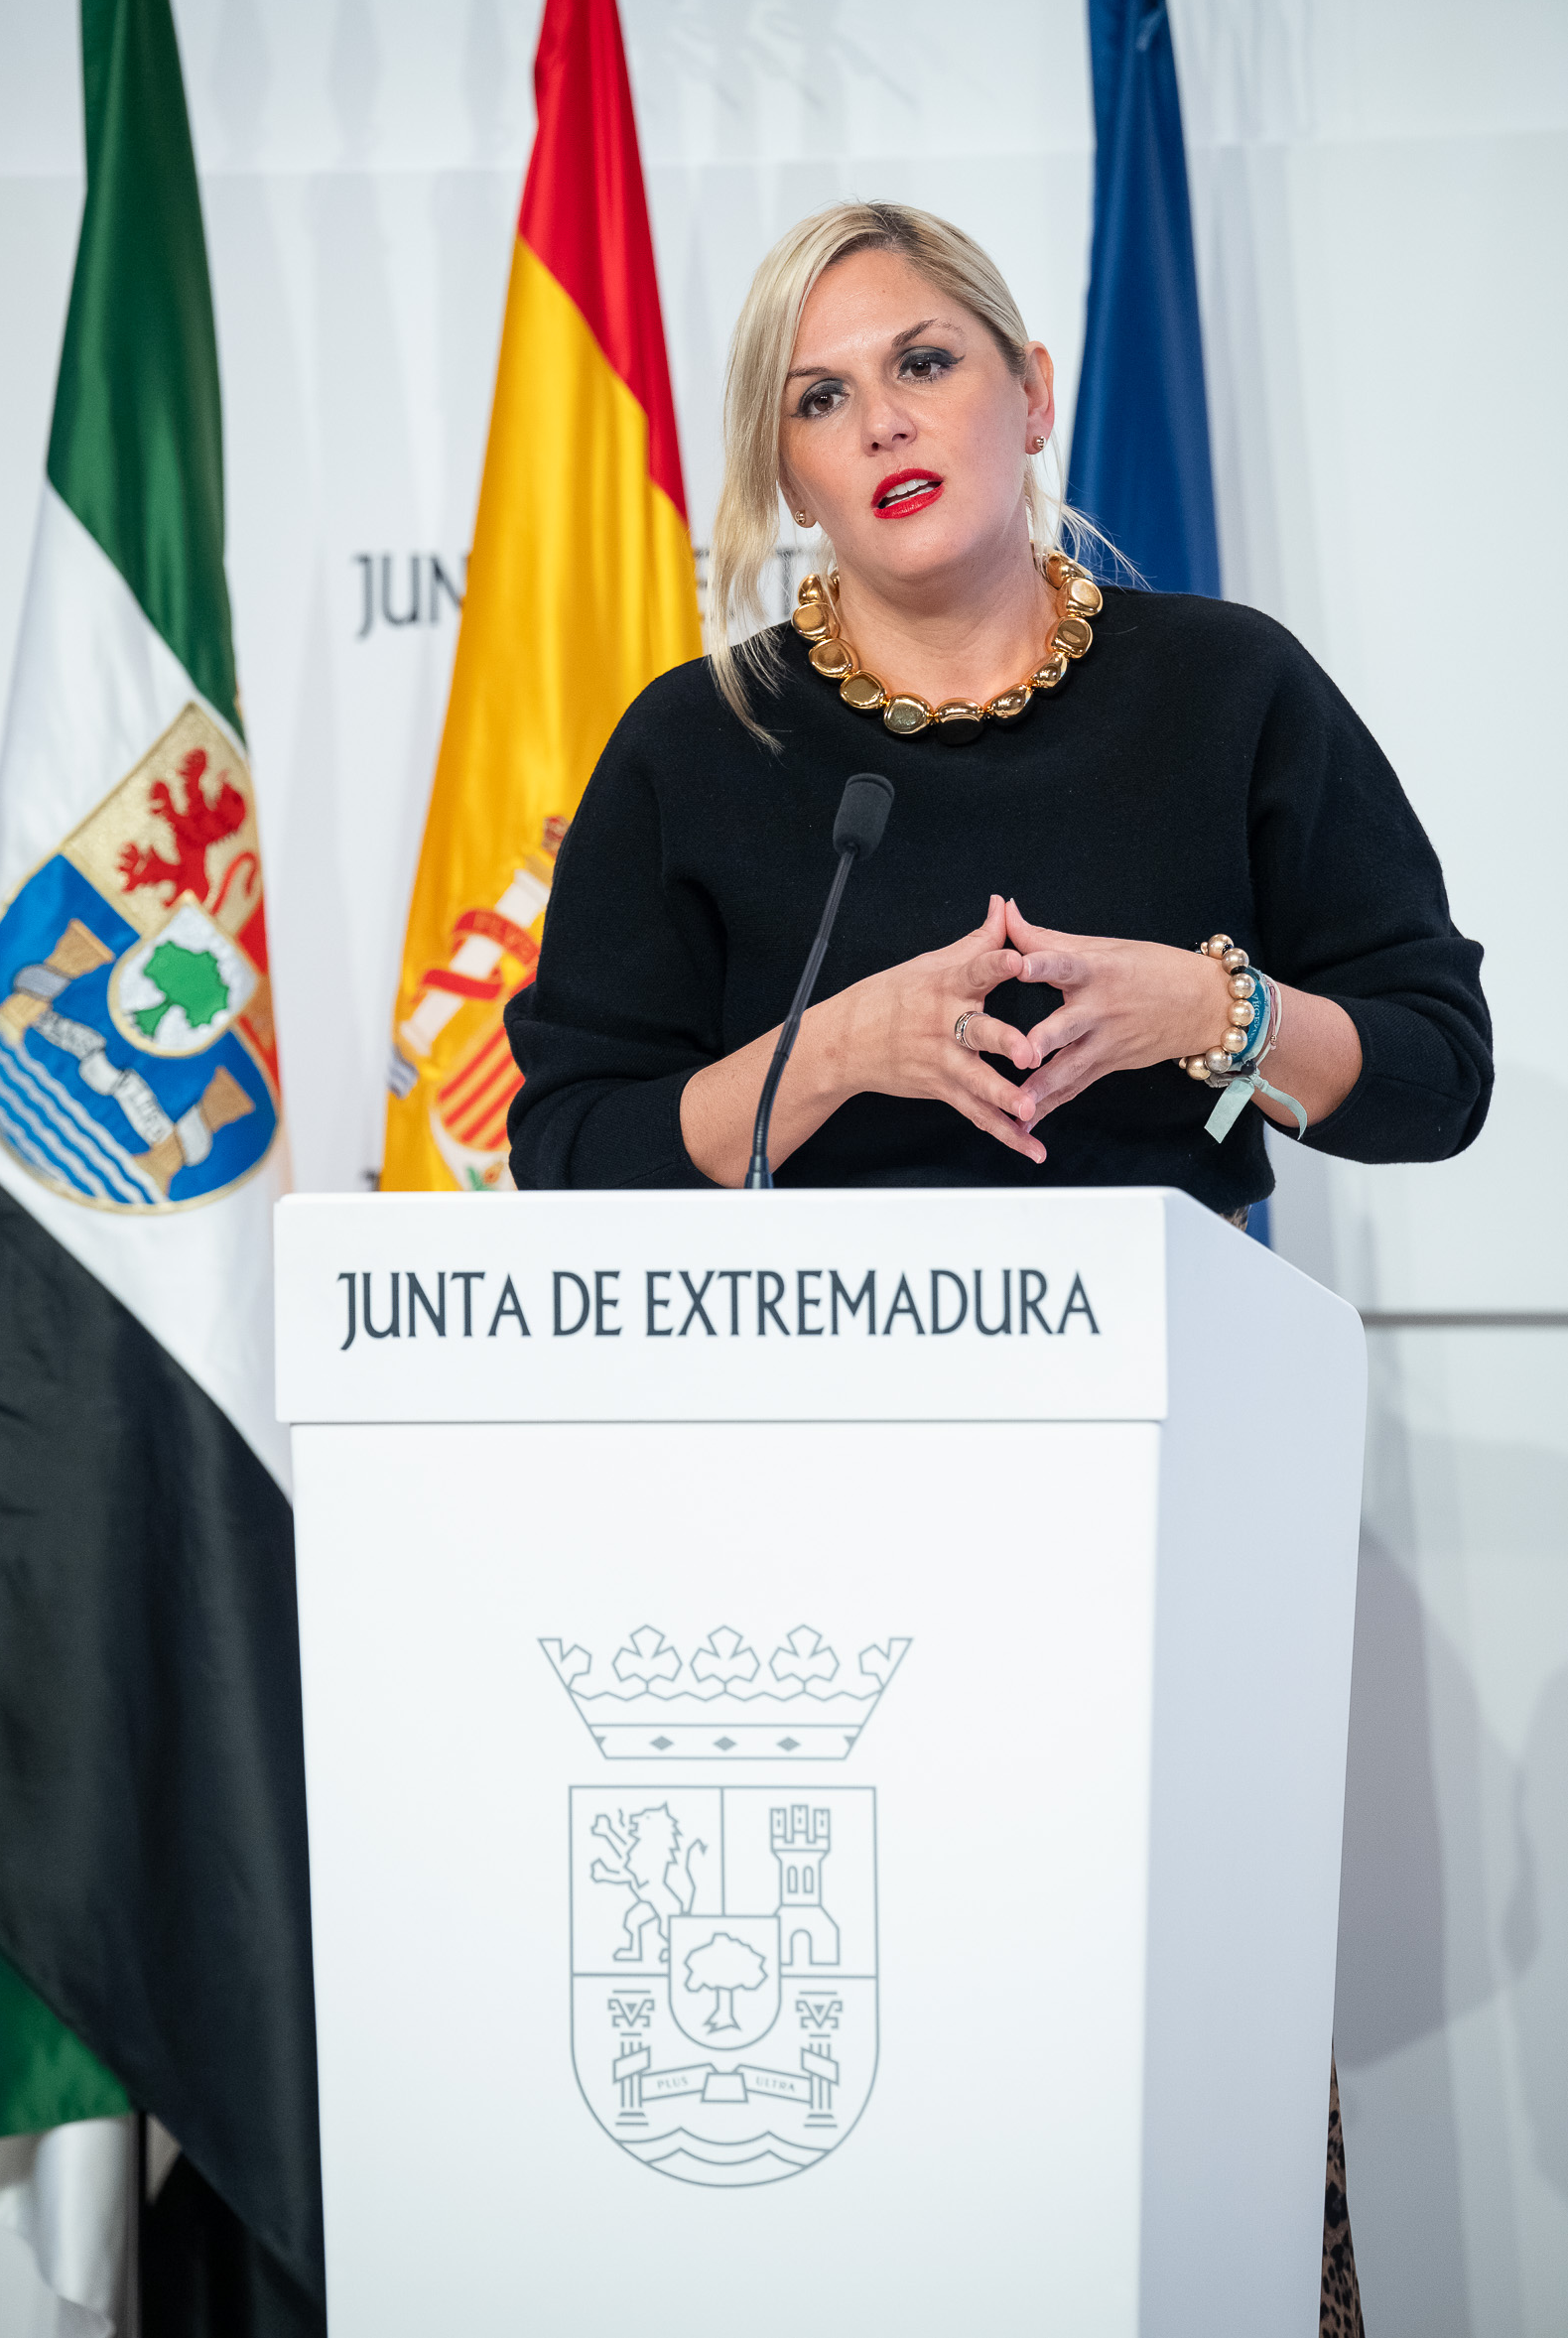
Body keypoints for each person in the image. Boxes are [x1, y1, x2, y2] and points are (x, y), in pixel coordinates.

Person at [505, 201, 1493, 2329]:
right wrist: (831, 1046)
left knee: (1161, 2088)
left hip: (1154, 1536)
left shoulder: (1226, 690)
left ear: (1029, 390)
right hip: (790, 1561)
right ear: (782, 472)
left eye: (925, 361)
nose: (884, 419)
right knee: (880, 2118)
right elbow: (566, 1147)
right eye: (818, 393)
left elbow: (1428, 1065)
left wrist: (1205, 1015)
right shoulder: (706, 743)